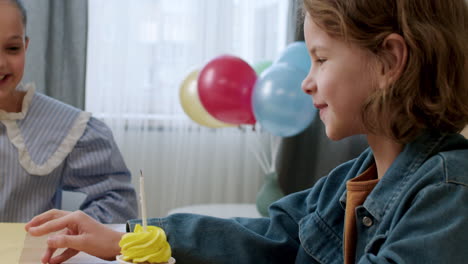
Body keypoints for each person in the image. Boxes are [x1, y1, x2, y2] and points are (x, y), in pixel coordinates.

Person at [26, 0, 468, 263]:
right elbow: (265, 237)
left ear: (390, 61)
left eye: (321, 58)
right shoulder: (345, 183)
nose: (305, 81)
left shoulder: (450, 192)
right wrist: (128, 236)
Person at [0, 0, 137, 224]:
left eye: (12, 48)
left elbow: (117, 203)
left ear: (25, 46)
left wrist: (67, 231)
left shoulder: (69, 126)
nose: (1, 62)